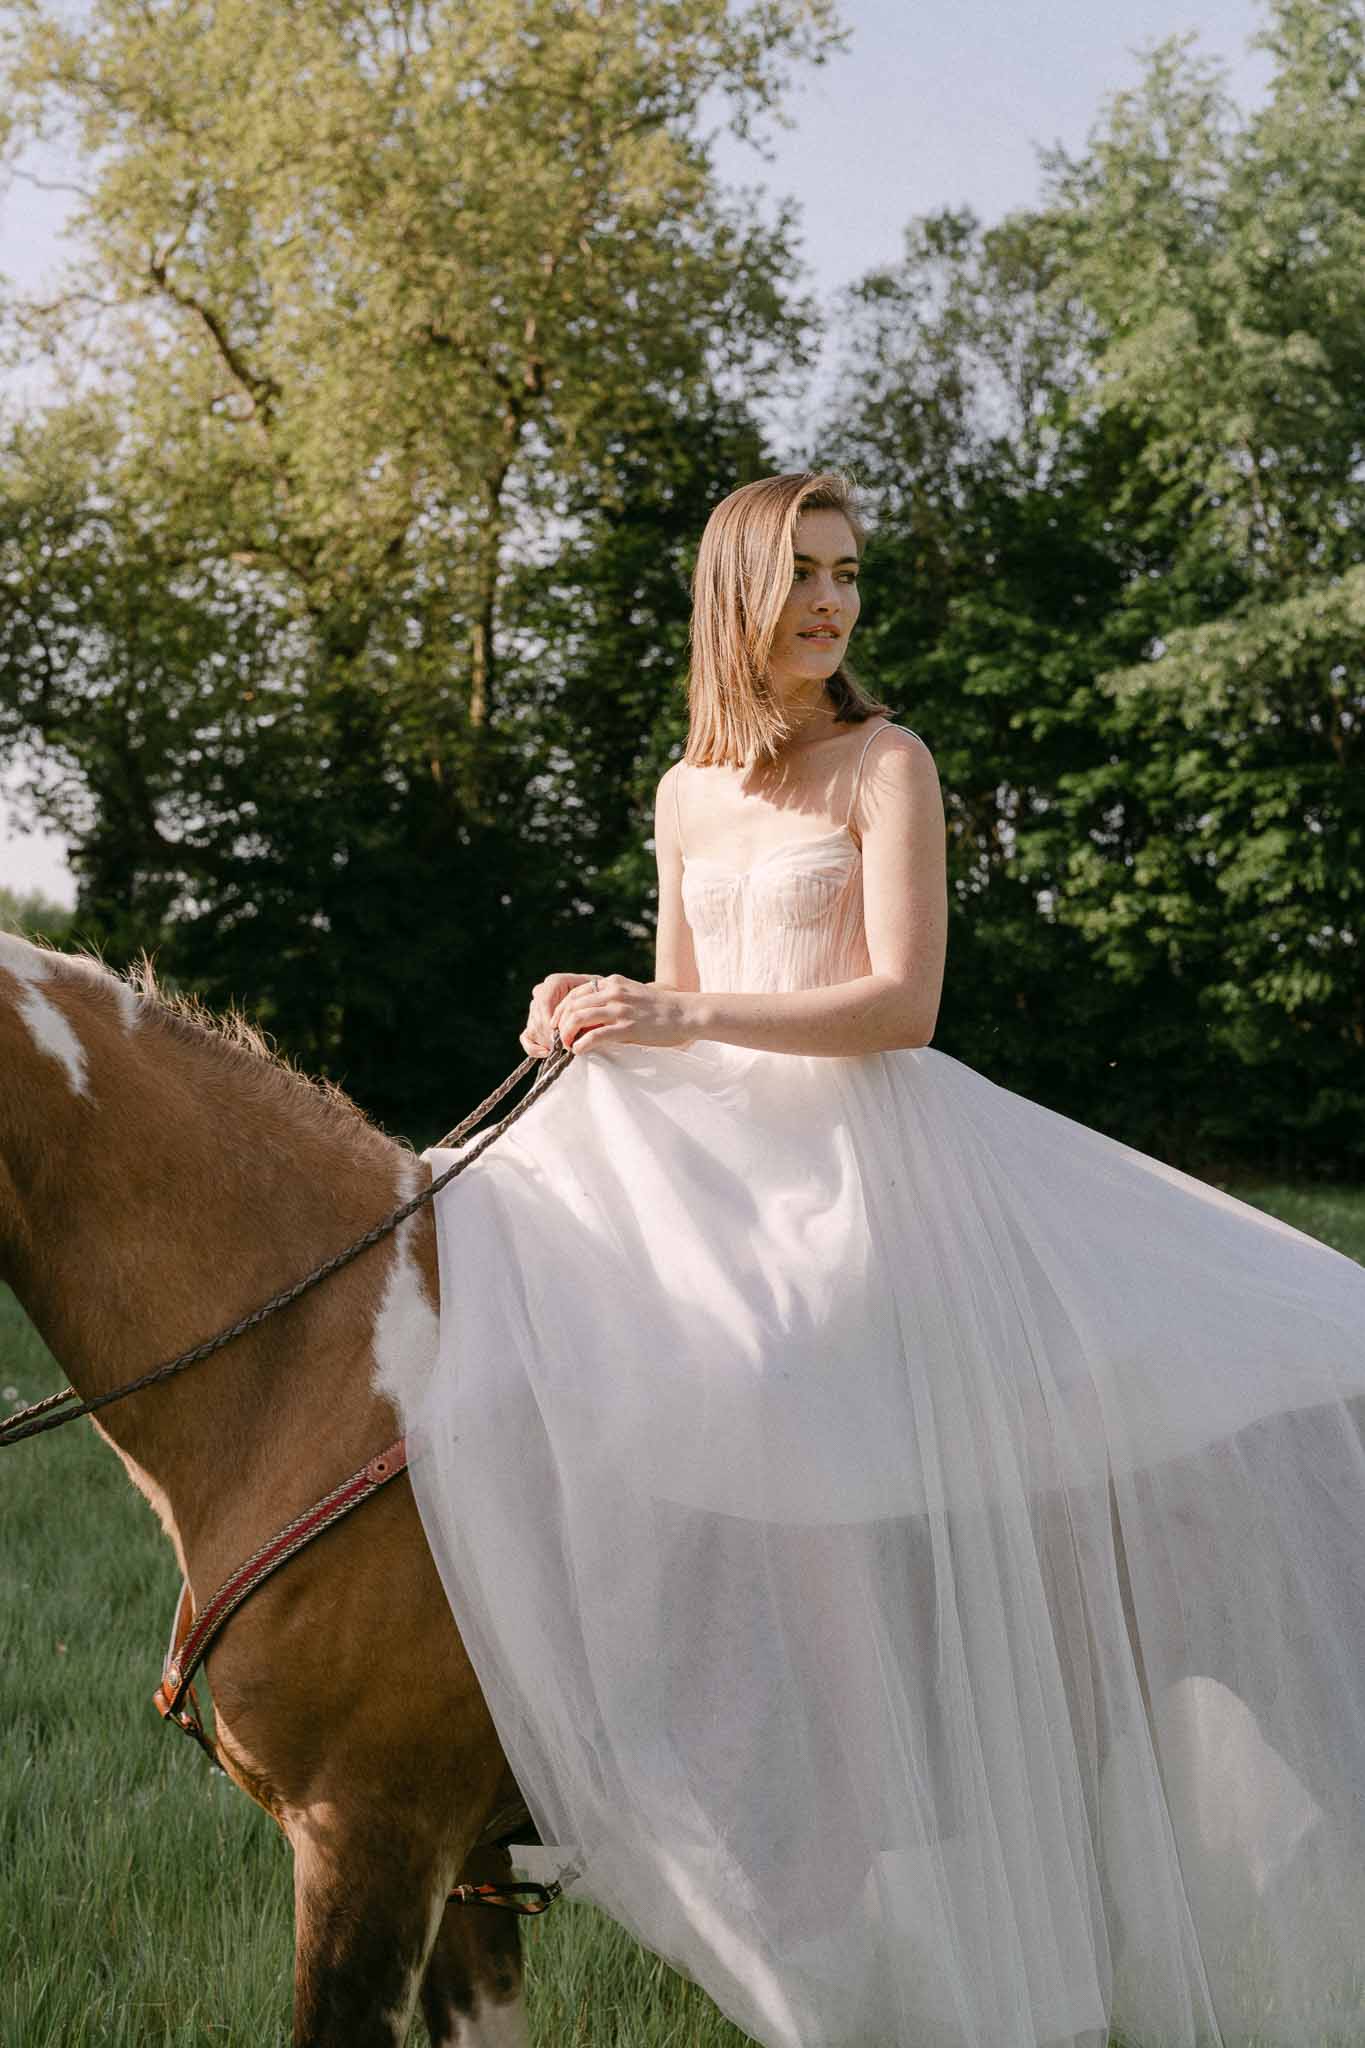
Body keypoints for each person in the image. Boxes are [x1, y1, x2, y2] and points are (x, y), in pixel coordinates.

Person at [405, 471, 1365, 2048]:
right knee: (524, 1267)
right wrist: (600, 1007)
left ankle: (797, 1737)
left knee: (765, 1344)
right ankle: (581, 1727)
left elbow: (898, 1005)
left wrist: (681, 1013)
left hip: (867, 1146)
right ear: (737, 597)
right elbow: (677, 997)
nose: (834, 605)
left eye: (848, 574)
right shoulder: (685, 789)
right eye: (802, 578)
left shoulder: (887, 762)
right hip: (724, 1128)